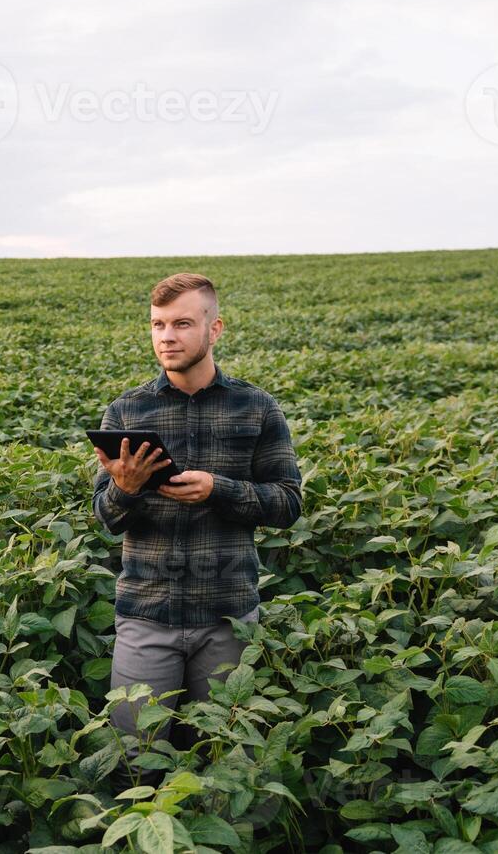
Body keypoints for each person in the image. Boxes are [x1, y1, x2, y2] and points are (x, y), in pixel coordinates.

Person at [92, 272, 303, 787]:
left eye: (182, 323)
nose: (167, 336)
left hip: (227, 615)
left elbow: (289, 502)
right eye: (158, 324)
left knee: (226, 764)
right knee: (134, 767)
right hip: (146, 614)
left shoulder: (256, 407)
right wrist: (127, 487)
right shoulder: (126, 411)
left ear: (215, 329)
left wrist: (219, 490)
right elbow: (105, 518)